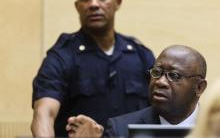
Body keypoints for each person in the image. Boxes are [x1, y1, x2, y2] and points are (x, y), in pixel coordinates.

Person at [31, 0, 155, 137]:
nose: (94, 4)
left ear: (118, 2)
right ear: (77, 6)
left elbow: (162, 112)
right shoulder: (62, 56)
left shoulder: (140, 54)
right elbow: (44, 114)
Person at [66, 45, 207, 138]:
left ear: (199, 87)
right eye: (157, 72)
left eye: (174, 76)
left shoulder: (214, 128)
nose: (160, 82)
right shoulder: (120, 130)